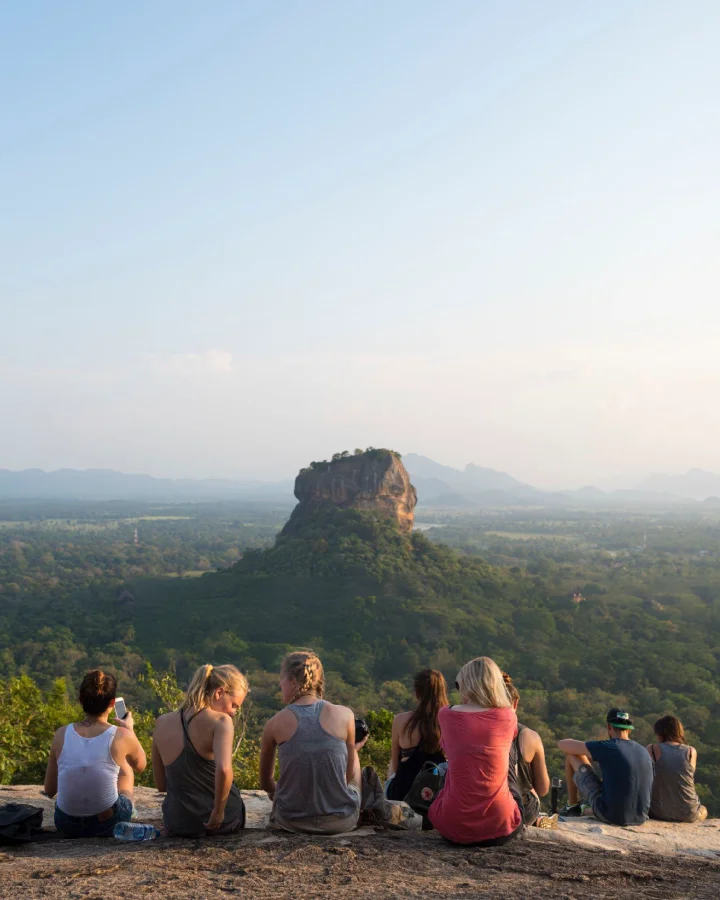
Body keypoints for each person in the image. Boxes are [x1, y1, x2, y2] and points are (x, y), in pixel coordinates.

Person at [259, 649, 362, 835]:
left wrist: (282, 793)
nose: (279, 684)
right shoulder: (346, 715)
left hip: (291, 821)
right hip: (340, 822)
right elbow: (346, 778)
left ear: (292, 681)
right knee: (353, 755)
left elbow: (265, 783)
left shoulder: (273, 724)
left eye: (281, 679)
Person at [428, 656, 523, 846]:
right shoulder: (507, 717)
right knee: (508, 758)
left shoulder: (446, 714)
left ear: (466, 684)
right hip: (499, 826)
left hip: (452, 825)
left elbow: (447, 749)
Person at [44, 669, 147, 838]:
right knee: (124, 764)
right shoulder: (122, 735)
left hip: (66, 824)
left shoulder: (61, 734)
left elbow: (49, 790)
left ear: (80, 700)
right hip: (107, 824)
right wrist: (130, 730)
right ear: (112, 703)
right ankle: (130, 806)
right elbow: (141, 765)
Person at [152, 664, 248, 836]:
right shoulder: (221, 721)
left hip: (177, 823)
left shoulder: (161, 722)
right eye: (234, 705)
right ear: (219, 693)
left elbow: (160, 784)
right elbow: (224, 770)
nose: (233, 713)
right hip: (219, 823)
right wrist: (217, 813)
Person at [558, 708, 653, 826]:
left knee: (572, 756)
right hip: (640, 817)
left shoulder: (609, 747)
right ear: (629, 730)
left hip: (612, 816)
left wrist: (587, 752)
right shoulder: (643, 750)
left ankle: (572, 806)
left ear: (609, 727)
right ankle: (588, 809)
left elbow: (563, 744)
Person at [386, 669, 448, 802]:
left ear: (416, 692)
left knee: (392, 762)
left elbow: (396, 767)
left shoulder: (401, 720)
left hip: (402, 794)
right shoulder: (448, 722)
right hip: (434, 796)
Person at [502, 672, 550, 826]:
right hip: (522, 810)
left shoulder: (476, 729)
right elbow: (543, 789)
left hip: (486, 805)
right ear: (515, 703)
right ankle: (538, 819)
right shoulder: (530, 736)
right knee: (530, 788)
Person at [647, 715, 708, 823]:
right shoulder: (690, 752)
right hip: (689, 813)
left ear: (660, 733)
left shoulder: (652, 749)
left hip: (658, 812)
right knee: (704, 810)